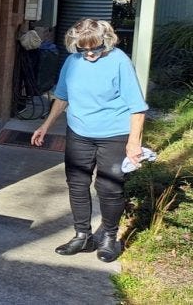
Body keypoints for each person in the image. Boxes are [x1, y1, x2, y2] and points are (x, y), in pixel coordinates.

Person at [31, 18, 147, 263]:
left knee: (109, 188)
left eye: (95, 48)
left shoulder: (119, 61)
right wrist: (45, 126)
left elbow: (137, 108)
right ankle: (83, 236)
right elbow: (62, 97)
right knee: (77, 183)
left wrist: (133, 143)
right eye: (83, 49)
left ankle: (109, 238)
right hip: (79, 132)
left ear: (106, 41)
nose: (90, 54)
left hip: (113, 135)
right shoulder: (72, 62)